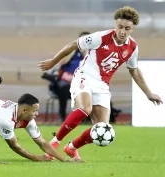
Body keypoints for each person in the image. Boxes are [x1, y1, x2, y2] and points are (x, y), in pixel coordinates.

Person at [37, 6, 163, 162]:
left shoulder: (132, 48)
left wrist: (148, 93)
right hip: (84, 76)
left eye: (127, 28)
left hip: (102, 85)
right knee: (85, 108)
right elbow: (73, 45)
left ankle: (71, 148)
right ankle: (53, 144)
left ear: (132, 28)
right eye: (120, 27)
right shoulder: (100, 37)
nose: (122, 31)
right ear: (115, 25)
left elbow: (134, 70)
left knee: (102, 128)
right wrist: (52, 62)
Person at [56, 31, 90, 122]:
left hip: (83, 82)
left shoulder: (92, 53)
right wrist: (73, 49)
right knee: (63, 89)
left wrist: (85, 52)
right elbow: (62, 62)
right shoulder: (72, 51)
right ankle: (61, 116)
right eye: (82, 40)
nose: (84, 42)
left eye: (87, 39)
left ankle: (86, 118)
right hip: (68, 80)